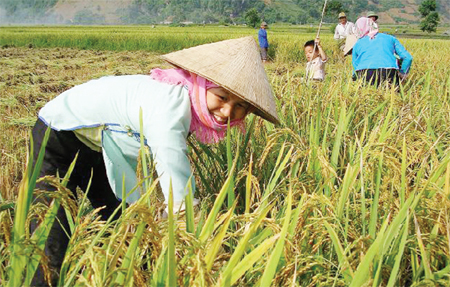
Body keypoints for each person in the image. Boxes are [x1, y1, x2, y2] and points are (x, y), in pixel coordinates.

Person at [30, 36, 279, 286]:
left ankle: (128, 277)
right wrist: (189, 229)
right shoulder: (171, 104)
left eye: (240, 106)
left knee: (123, 223)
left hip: (99, 145)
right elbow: (172, 167)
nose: (227, 112)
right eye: (222, 97)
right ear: (202, 85)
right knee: (50, 235)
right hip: (59, 134)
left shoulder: (189, 102)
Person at [351, 17, 413, 87]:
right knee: (392, 95)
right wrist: (402, 74)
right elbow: (408, 58)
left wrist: (354, 81)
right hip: (388, 72)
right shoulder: (390, 38)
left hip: (365, 74)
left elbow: (355, 67)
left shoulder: (357, 43)